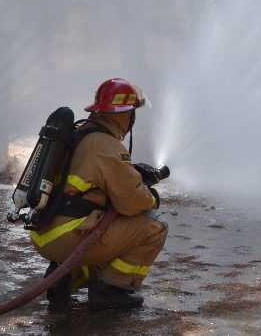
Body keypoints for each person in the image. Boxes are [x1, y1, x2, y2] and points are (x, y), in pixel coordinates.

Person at [30, 78, 168, 310]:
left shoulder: (80, 134)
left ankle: (67, 277)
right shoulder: (106, 144)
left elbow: (90, 182)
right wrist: (152, 196)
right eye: (132, 112)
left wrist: (132, 173)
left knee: (110, 230)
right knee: (154, 227)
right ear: (125, 114)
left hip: (44, 232)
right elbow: (131, 202)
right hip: (67, 238)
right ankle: (110, 291)